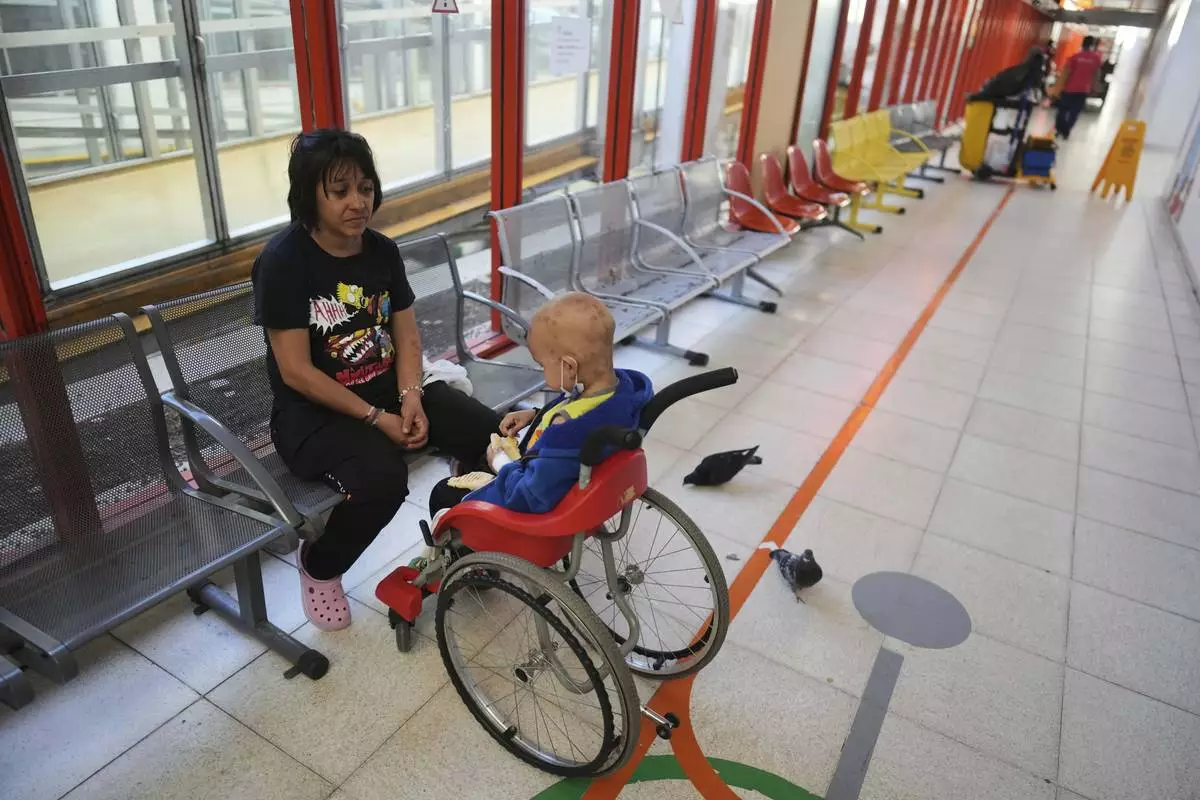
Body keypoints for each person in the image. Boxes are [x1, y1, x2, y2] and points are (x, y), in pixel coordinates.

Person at [252, 129, 502, 631]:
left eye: (365, 188)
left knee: (490, 433)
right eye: (340, 191)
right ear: (309, 195)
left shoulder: (381, 251)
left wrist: (410, 398)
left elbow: (407, 337)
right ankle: (320, 565)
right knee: (383, 480)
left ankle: (464, 535)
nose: (357, 202)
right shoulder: (283, 262)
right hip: (314, 416)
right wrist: (376, 418)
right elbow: (296, 371)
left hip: (389, 393)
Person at [425, 292, 653, 525]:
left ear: (568, 367)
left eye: (543, 365)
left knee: (442, 493)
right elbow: (576, 406)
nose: (542, 371)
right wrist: (537, 415)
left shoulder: (566, 431)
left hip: (535, 511)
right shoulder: (621, 393)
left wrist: (501, 463)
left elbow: (530, 495)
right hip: (576, 484)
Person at [1055, 36, 1103, 140]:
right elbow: (1097, 74)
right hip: (1083, 90)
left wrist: (1058, 88)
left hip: (1070, 88)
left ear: (1082, 44)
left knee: (1063, 110)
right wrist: (1095, 87)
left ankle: (1060, 129)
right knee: (1075, 112)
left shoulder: (1075, 56)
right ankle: (1066, 130)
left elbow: (1066, 73)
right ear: (1093, 45)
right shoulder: (1096, 58)